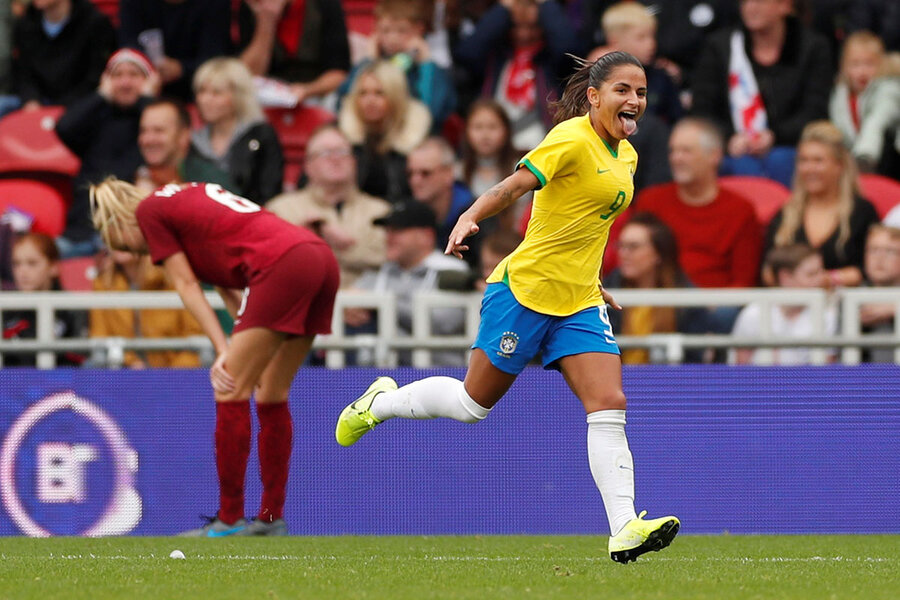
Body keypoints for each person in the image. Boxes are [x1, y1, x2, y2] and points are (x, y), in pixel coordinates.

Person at [335, 51, 680, 564]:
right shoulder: (569, 139)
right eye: (623, 90)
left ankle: (624, 527)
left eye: (642, 92)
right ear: (593, 96)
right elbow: (513, 186)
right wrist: (469, 216)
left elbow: (585, 226)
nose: (634, 101)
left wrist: (595, 281)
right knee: (473, 406)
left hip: (579, 302)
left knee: (609, 404)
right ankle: (381, 402)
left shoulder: (625, 155)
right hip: (524, 293)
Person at [90, 178, 339, 536]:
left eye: (129, 246)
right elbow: (229, 284)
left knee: (228, 388)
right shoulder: (183, 203)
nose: (147, 255)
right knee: (270, 393)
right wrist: (242, 345)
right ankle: (270, 518)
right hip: (317, 257)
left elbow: (187, 286)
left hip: (281, 265)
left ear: (118, 223)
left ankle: (229, 519)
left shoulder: (149, 212)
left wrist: (223, 349)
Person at [690, 0, 833, 187]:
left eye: (759, 1)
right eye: (745, 2)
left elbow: (815, 111)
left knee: (781, 160)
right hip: (732, 148)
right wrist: (729, 138)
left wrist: (774, 136)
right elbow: (702, 110)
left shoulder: (813, 48)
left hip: (790, 145)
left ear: (785, 6)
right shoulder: (719, 47)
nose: (750, 7)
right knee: (740, 164)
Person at [55, 48, 160, 258]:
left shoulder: (153, 124)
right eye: (117, 75)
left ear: (150, 81)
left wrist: (148, 98)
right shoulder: (96, 119)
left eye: (134, 75)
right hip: (81, 232)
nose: (125, 82)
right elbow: (64, 127)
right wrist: (101, 95)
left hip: (131, 236)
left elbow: (164, 132)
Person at [634, 117, 762, 289]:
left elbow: (743, 283)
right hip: (658, 303)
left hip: (717, 307)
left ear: (714, 156)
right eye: (673, 151)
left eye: (686, 151)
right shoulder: (650, 202)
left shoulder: (740, 210)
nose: (676, 158)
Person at [344, 199, 471, 366]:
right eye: (387, 230)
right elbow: (348, 298)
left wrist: (377, 304)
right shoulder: (380, 274)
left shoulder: (451, 271)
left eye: (398, 230)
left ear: (426, 236)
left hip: (440, 374)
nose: (389, 237)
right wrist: (348, 307)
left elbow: (446, 322)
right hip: (382, 374)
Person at [266, 124, 391, 288]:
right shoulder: (281, 209)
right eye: (325, 153)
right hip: (305, 306)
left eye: (342, 152)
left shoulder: (379, 211)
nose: (335, 159)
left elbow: (390, 261)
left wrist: (346, 247)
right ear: (308, 166)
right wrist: (303, 246)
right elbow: (268, 262)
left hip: (366, 306)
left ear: (354, 162)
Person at [764, 120, 880, 288]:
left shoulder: (862, 211)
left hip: (847, 306)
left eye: (818, 161)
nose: (809, 168)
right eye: (803, 160)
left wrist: (827, 280)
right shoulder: (785, 213)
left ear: (839, 166)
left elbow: (872, 269)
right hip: (791, 306)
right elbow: (766, 270)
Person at [454, 0, 583, 151]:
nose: (524, 34)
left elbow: (568, 48)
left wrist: (546, 4)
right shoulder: (496, 57)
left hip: (540, 141)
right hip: (495, 142)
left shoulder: (550, 60)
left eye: (533, 27)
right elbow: (466, 53)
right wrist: (504, 8)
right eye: (516, 27)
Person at [604, 213, 710, 364]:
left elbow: (694, 360)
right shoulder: (604, 293)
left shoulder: (687, 301)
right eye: (621, 246)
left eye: (633, 247)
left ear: (658, 253)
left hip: (668, 383)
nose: (623, 254)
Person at [337, 0, 456, 131]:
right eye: (385, 30)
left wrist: (426, 65)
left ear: (419, 29)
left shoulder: (431, 70)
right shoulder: (368, 64)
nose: (393, 38)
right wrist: (369, 61)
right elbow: (344, 106)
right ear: (375, 30)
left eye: (401, 31)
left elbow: (433, 112)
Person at [191, 57, 285, 206]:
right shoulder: (192, 140)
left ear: (238, 96)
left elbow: (270, 192)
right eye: (201, 91)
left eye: (216, 93)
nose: (205, 99)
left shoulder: (261, 136)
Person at [89, 249, 203, 368]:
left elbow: (196, 336)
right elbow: (100, 336)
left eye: (126, 232)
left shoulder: (173, 282)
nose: (118, 241)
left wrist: (169, 376)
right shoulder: (102, 284)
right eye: (112, 234)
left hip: (175, 375)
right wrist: (131, 362)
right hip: (126, 374)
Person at [337, 60, 431, 201]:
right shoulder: (342, 138)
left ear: (396, 97)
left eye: (379, 93)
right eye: (363, 93)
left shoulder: (418, 141)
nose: (370, 100)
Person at [732, 243, 837, 365]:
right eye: (812, 274)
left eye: (821, 272)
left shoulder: (828, 315)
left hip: (809, 384)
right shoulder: (753, 313)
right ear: (785, 277)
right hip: (759, 383)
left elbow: (828, 374)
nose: (821, 279)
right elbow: (741, 370)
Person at [237, 0, 351, 106]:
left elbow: (339, 73)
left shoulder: (324, 5)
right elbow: (247, 75)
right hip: (266, 96)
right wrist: (267, 20)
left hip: (317, 94)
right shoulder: (254, 7)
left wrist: (307, 90)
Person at [10, 0, 116, 111]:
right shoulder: (25, 24)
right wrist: (30, 100)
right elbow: (23, 73)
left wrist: (63, 108)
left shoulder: (95, 23)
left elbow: (95, 76)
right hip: (36, 103)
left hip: (79, 104)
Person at [118, 0, 231, 102]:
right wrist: (146, 68)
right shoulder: (134, 3)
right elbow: (127, 49)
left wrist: (181, 69)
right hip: (144, 82)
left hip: (197, 85)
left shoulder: (215, 4)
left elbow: (215, 59)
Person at [2, 233, 85, 367]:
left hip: (62, 385)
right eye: (16, 264)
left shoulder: (72, 309)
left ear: (53, 267)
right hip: (11, 385)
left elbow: (79, 362)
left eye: (32, 263)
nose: (22, 272)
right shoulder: (5, 310)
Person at [597, 2, 682, 125]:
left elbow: (676, 119)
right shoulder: (600, 79)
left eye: (652, 36)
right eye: (641, 38)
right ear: (614, 42)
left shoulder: (661, 78)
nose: (651, 44)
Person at [828, 31, 900, 176]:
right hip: (853, 163)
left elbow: (877, 121)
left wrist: (864, 157)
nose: (862, 71)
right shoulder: (840, 95)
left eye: (869, 64)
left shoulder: (888, 90)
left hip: (887, 162)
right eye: (855, 64)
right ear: (844, 67)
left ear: (882, 65)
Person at [135, 98, 235, 193]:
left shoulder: (211, 182)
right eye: (143, 131)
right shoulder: (132, 176)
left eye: (158, 131)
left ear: (184, 135)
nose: (147, 139)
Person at [407, 136, 479, 268]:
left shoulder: (478, 216)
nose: (415, 181)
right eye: (410, 173)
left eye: (425, 173)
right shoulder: (406, 215)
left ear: (448, 174)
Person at [457, 99, 526, 234]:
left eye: (492, 127)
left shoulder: (522, 169)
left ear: (506, 131)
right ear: (466, 131)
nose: (485, 135)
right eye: (478, 127)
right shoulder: (457, 172)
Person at [860, 224, 900, 362]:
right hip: (859, 380)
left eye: (889, 251)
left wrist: (895, 310)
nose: (880, 258)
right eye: (873, 250)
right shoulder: (849, 297)